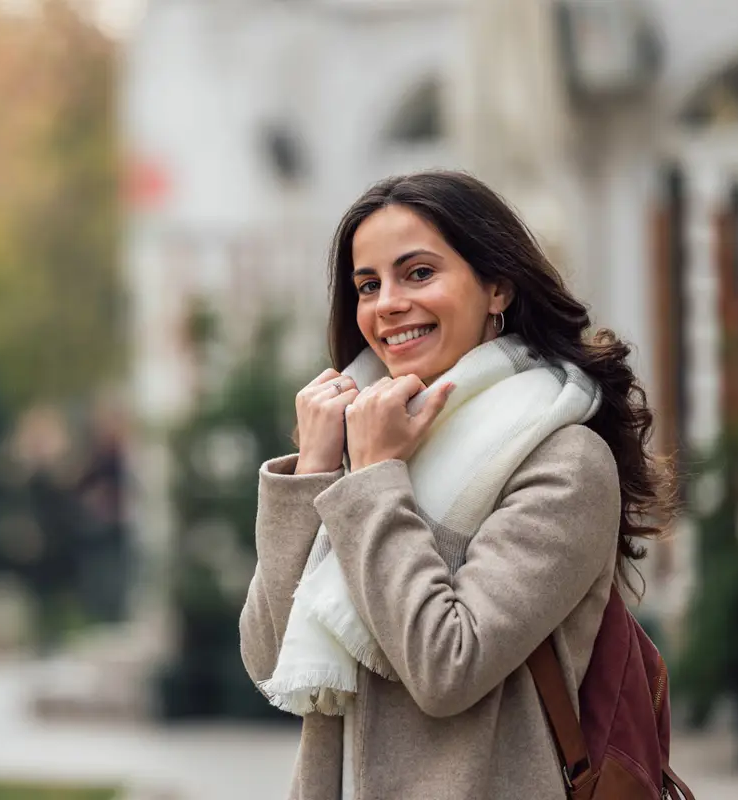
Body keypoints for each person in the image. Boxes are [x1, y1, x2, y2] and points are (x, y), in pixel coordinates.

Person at [239, 170, 671, 800]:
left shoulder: (563, 462)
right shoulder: (367, 446)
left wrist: (377, 479)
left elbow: (449, 666)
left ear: (497, 286)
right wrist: (312, 474)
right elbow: (267, 656)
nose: (387, 302)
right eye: (368, 284)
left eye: (418, 273)